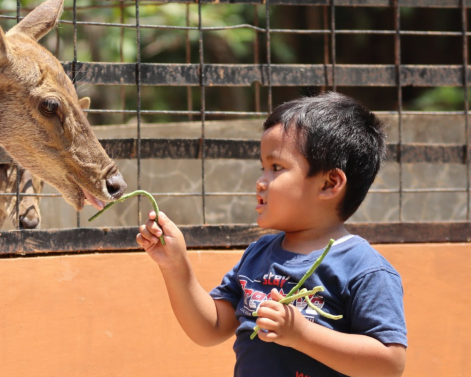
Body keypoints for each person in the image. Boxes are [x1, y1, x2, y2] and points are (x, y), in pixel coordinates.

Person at [137, 92, 407, 377]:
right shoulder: (258, 254)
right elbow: (211, 328)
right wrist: (176, 265)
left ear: (330, 183)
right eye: (263, 168)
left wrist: (301, 334)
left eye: (276, 168)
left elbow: (390, 363)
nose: (261, 181)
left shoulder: (364, 269)